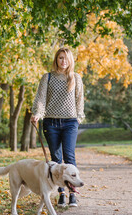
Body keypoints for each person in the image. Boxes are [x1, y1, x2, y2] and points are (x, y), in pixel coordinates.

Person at [31, 47, 85, 208]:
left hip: (70, 123)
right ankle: (61, 193)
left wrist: (79, 118)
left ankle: (72, 194)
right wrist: (37, 114)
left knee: (69, 157)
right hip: (51, 123)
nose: (63, 61)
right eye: (60, 58)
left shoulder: (75, 77)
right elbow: (40, 99)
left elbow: (79, 100)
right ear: (56, 59)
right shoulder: (47, 77)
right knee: (55, 159)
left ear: (70, 60)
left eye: (66, 58)